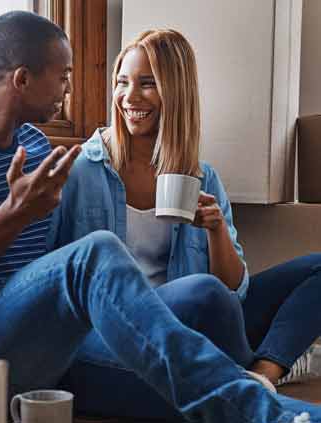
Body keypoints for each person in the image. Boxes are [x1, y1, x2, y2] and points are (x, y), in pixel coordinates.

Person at [0, 12, 319, 423]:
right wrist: (12, 215)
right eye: (63, 77)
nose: (70, 91)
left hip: (51, 343)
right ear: (22, 79)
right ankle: (267, 408)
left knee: (194, 391)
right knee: (97, 253)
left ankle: (268, 399)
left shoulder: (37, 149)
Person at [49, 29, 321, 419]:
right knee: (203, 292)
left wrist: (216, 231)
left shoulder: (202, 177)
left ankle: (262, 373)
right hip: (120, 330)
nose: (130, 97)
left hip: (199, 323)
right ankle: (247, 384)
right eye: (122, 83)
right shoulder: (79, 171)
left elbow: (234, 289)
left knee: (308, 270)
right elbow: (52, 281)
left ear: (176, 93)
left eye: (147, 84)